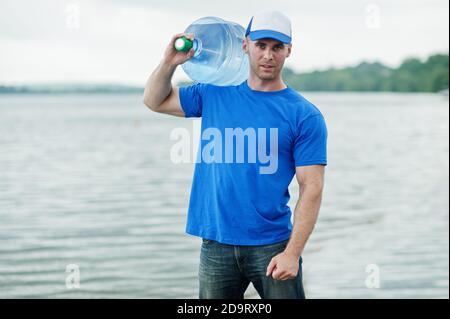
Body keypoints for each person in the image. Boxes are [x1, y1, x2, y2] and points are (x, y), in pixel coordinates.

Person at [143, 10, 327, 299]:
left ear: (289, 51)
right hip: (216, 242)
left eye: (277, 47)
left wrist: (293, 252)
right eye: (261, 45)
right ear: (245, 45)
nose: (268, 55)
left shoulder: (303, 115)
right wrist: (169, 63)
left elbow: (312, 187)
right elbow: (154, 100)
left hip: (273, 246)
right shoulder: (215, 92)